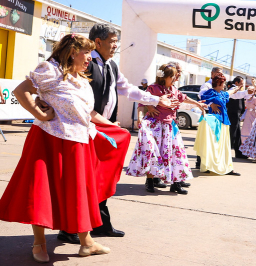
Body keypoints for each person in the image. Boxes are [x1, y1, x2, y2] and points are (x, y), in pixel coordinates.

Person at [0, 34, 117, 263]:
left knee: (79, 192)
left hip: (78, 141)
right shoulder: (50, 70)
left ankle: (86, 243)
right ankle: (39, 243)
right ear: (71, 52)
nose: (89, 58)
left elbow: (88, 113)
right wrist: (38, 113)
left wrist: (112, 126)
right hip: (49, 139)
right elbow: (21, 91)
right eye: (86, 52)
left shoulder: (80, 78)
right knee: (42, 190)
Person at [53, 23, 178, 243]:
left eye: (115, 41)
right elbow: (59, 83)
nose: (115, 45)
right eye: (112, 41)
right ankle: (69, 228)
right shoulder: (84, 62)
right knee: (80, 179)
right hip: (83, 127)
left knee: (101, 178)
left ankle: (99, 224)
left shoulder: (111, 65)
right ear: (98, 42)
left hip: (104, 125)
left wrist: (155, 99)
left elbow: (126, 88)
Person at [126, 64, 205, 194]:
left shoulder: (174, 89)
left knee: (176, 154)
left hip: (170, 127)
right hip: (155, 126)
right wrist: (140, 117)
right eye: (172, 76)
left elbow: (184, 98)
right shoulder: (154, 88)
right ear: (165, 77)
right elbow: (141, 102)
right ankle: (150, 181)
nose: (175, 79)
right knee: (152, 153)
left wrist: (197, 103)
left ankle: (176, 183)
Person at [194, 73, 241, 176]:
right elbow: (200, 100)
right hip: (214, 123)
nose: (224, 85)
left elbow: (230, 92)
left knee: (224, 146)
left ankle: (227, 168)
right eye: (223, 83)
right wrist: (211, 104)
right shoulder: (210, 92)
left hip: (224, 122)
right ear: (219, 83)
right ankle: (209, 166)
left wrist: (237, 89)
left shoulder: (222, 93)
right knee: (213, 145)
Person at [227, 76, 253, 159]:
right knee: (232, 134)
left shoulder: (240, 91)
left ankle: (239, 152)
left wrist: (250, 93)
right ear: (236, 83)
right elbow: (237, 96)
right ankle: (226, 152)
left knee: (237, 134)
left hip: (237, 114)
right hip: (232, 114)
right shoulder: (232, 89)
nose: (242, 85)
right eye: (241, 83)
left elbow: (245, 97)